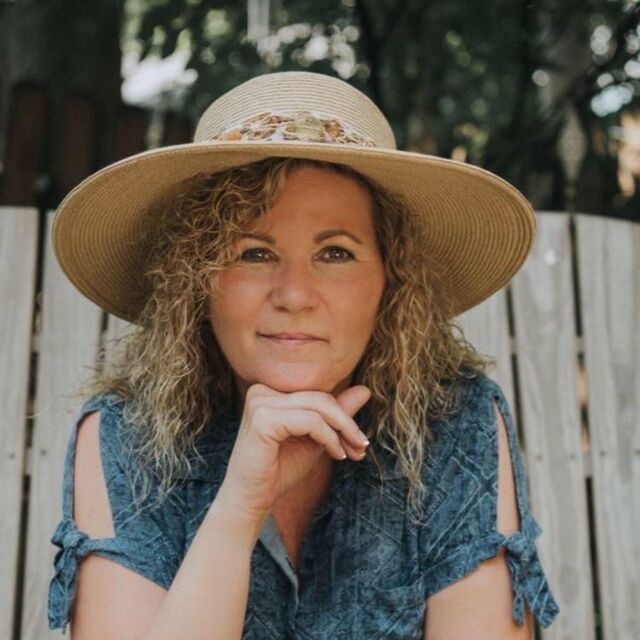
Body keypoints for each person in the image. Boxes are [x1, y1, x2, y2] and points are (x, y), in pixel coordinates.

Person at [47, 71, 560, 638]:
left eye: (335, 253)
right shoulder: (127, 434)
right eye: (254, 253)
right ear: (195, 281)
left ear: (390, 282)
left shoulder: (455, 421)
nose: (293, 295)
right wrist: (239, 508)